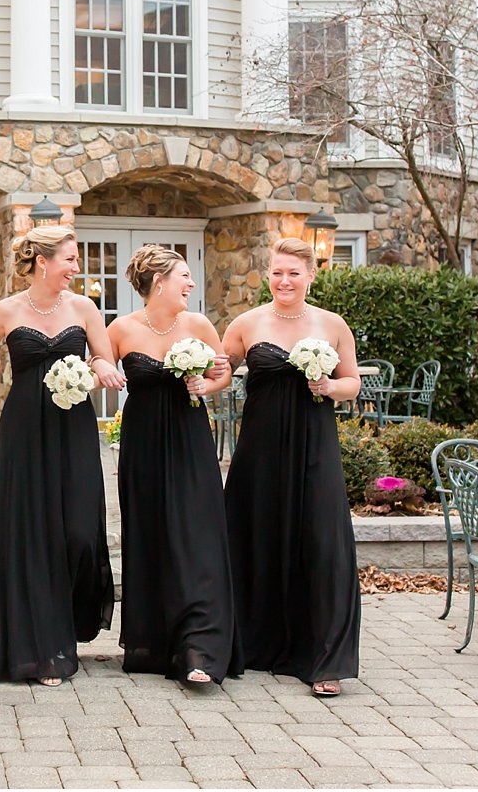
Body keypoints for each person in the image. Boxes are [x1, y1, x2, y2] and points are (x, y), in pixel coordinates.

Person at [221, 236, 362, 697]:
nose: (285, 280)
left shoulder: (332, 324)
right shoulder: (246, 323)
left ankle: (325, 660)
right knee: (255, 536)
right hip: (259, 450)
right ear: (268, 275)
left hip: (314, 447)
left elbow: (353, 384)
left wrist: (327, 387)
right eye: (278, 272)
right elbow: (220, 370)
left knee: (322, 543)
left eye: (294, 273)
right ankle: (253, 645)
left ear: (311, 275)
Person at [0, 225, 122, 686]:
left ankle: (71, 622)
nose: (76, 268)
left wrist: (100, 369)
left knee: (80, 532)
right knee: (31, 534)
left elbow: (104, 359)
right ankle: (43, 648)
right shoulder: (4, 312)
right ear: (43, 261)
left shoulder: (84, 308)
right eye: (70, 259)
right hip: (24, 428)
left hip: (74, 426)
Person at [106, 245, 238, 686]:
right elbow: (98, 364)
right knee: (150, 534)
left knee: (197, 535)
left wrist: (205, 383)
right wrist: (97, 368)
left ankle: (200, 648)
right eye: (184, 276)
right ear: (159, 281)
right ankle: (155, 644)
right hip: (142, 445)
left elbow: (223, 373)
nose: (191, 284)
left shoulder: (198, 324)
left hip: (189, 440)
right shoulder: (121, 329)